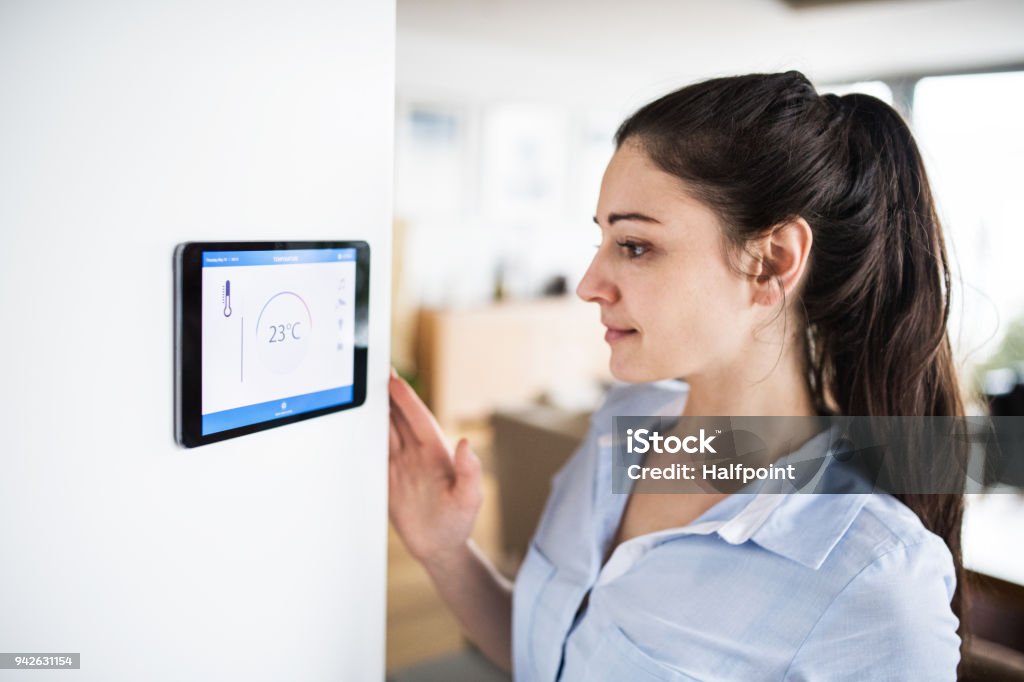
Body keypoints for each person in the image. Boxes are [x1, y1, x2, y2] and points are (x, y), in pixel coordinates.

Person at [388, 71, 966, 681]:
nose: (589, 284)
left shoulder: (874, 579)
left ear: (771, 262)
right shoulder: (622, 426)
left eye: (635, 245)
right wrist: (445, 548)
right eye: (603, 239)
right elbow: (555, 657)